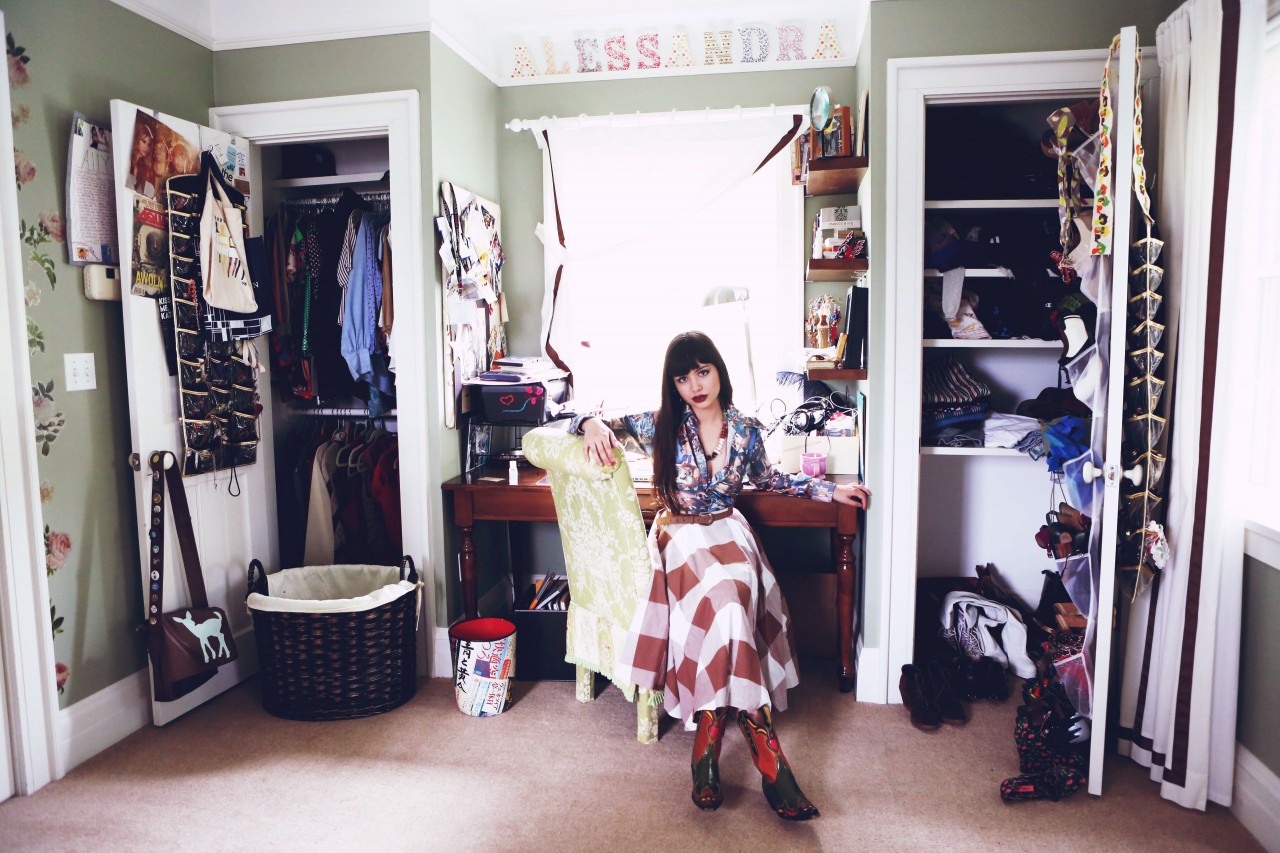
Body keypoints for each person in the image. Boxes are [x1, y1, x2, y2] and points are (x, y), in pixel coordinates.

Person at [574, 331, 871, 821]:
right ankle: (768, 757)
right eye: (683, 377)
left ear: (718, 371)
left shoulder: (747, 429)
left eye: (702, 371)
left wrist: (829, 491)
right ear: (673, 384)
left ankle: (708, 746)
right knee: (724, 604)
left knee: (732, 601)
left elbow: (773, 480)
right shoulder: (660, 424)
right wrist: (589, 424)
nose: (695, 385)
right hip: (678, 537)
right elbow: (576, 415)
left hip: (730, 531)